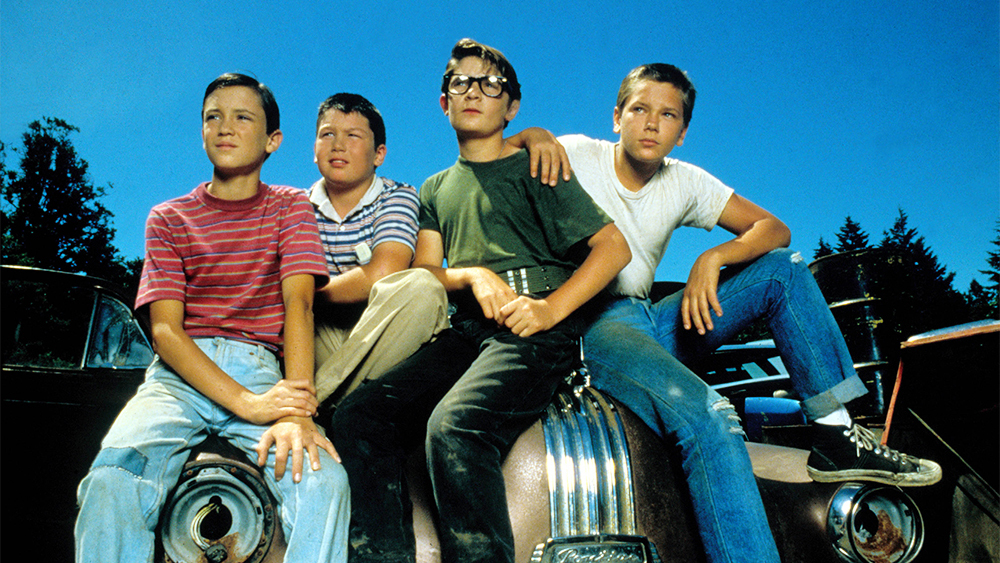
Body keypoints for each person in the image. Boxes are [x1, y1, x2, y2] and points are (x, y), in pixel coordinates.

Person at [514, 63, 942, 562]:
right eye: (639, 109)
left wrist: (714, 257)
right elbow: (501, 153)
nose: (651, 123)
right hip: (594, 322)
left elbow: (773, 229)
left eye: (668, 115)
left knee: (781, 271)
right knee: (713, 419)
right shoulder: (578, 152)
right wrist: (533, 134)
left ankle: (834, 432)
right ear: (616, 117)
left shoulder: (684, 180)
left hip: (650, 320)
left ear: (681, 132)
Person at [330, 39, 631, 563]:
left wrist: (550, 309)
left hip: (535, 327)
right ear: (443, 102)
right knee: (361, 415)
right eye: (460, 83)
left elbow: (614, 248)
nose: (473, 92)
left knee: (455, 426)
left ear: (511, 107)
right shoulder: (434, 189)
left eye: (490, 85)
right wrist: (472, 276)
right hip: (467, 329)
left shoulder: (536, 166)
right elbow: (427, 270)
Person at [74, 73, 349, 563]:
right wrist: (246, 404)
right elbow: (165, 331)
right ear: (201, 131)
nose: (225, 127)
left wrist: (295, 412)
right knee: (111, 481)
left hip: (261, 368)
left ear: (272, 140)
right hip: (178, 377)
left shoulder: (291, 207)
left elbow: (300, 305)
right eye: (213, 117)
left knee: (324, 483)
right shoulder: (168, 217)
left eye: (243, 117)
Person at [307, 92, 449, 407]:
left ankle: (315, 402)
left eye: (353, 136)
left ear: (378, 154)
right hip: (324, 336)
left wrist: (305, 292)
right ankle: (338, 403)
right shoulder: (296, 207)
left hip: (387, 337)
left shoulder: (398, 195)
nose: (338, 145)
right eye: (327, 134)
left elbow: (384, 272)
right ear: (314, 150)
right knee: (290, 309)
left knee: (423, 287)